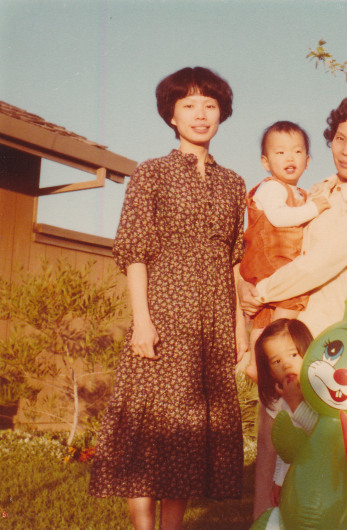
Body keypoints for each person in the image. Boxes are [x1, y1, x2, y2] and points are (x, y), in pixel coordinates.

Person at [89, 67, 247, 530]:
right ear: (172, 116)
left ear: (222, 114)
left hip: (213, 319)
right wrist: (142, 320)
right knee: (148, 427)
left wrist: (239, 325)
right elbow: (134, 249)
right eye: (189, 105)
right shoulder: (151, 173)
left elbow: (233, 260)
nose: (201, 115)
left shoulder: (233, 183)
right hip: (163, 313)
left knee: (187, 432)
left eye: (210, 105)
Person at [237, 96, 347, 519]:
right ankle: (262, 524)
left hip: (317, 337)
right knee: (270, 439)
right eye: (340, 138)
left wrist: (262, 289)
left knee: (304, 449)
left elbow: (315, 265)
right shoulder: (316, 190)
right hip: (279, 323)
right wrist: (244, 281)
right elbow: (271, 240)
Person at [238, 121, 329, 380]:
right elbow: (278, 218)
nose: (289, 157)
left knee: (265, 319)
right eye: (280, 153)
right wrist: (315, 208)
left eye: (297, 152)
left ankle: (256, 365)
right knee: (286, 315)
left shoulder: (299, 193)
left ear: (308, 160)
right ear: (266, 162)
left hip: (277, 263)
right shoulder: (272, 188)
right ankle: (276, 359)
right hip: (273, 261)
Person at [253, 318, 318, 507]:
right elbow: (286, 445)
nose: (286, 365)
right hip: (299, 478)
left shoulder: (319, 392)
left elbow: (320, 431)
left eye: (293, 355)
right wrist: (279, 480)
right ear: (271, 372)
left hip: (325, 473)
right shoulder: (280, 401)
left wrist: (296, 403)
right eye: (277, 361)